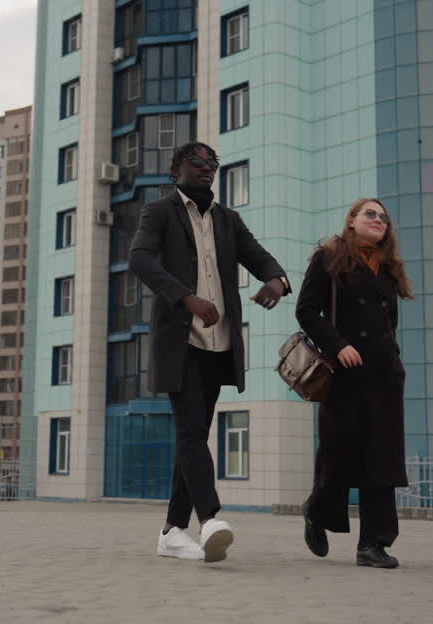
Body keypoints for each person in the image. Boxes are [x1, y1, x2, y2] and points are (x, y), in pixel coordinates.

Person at [128, 141, 291, 563]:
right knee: (190, 432)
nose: (207, 169)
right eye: (197, 162)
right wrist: (187, 298)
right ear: (176, 169)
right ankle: (211, 517)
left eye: (213, 164)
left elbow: (259, 256)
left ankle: (171, 531)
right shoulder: (159, 212)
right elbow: (140, 260)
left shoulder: (228, 220)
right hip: (180, 343)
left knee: (195, 435)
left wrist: (277, 279)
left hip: (218, 345)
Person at [294, 197, 414, 569]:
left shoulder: (389, 269)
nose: (379, 220)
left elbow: (389, 323)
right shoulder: (328, 259)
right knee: (339, 454)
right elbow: (306, 310)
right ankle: (317, 511)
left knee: (383, 460)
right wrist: (338, 344)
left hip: (384, 376)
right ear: (351, 221)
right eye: (370, 214)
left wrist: (394, 361)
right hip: (345, 376)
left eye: (383, 217)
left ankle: (373, 544)